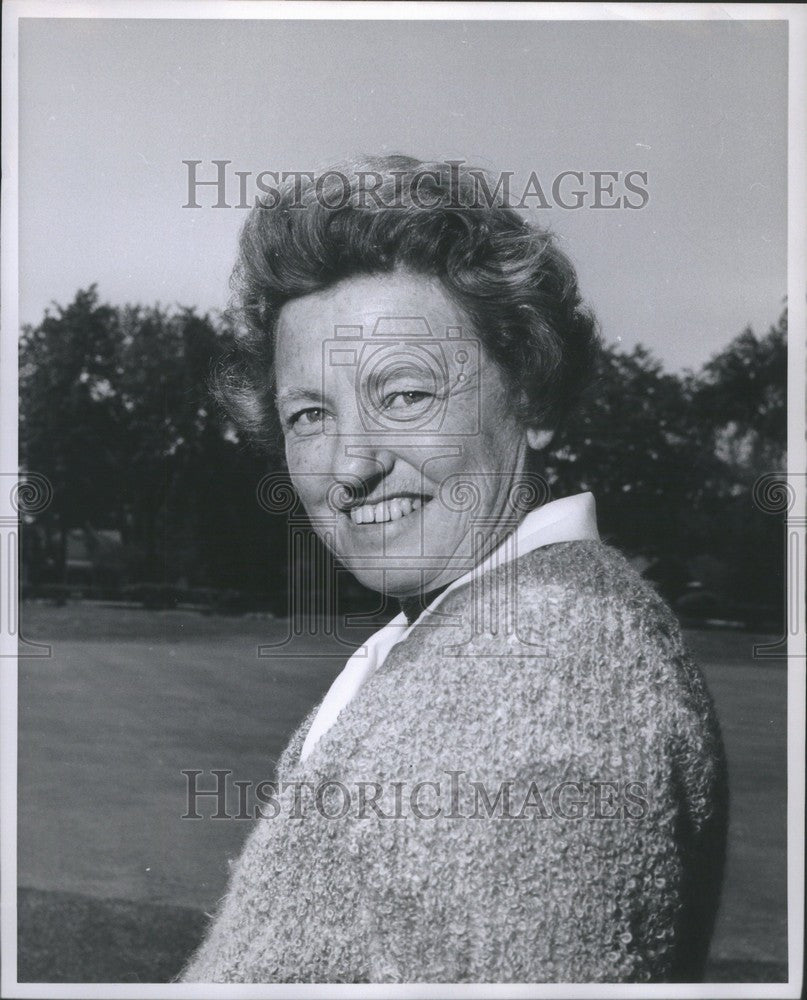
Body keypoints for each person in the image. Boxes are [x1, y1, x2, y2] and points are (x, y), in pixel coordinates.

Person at [181, 156, 727, 983]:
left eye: (403, 396)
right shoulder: (491, 633)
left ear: (532, 394)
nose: (350, 466)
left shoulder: (540, 679)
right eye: (309, 415)